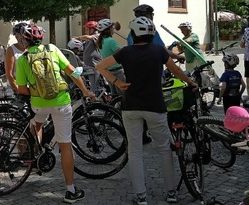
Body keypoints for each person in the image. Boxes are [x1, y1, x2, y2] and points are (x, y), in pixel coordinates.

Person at [96, 16, 197, 205]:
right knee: (164, 150)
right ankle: (171, 192)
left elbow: (100, 66)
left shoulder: (125, 52)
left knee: (134, 152)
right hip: (155, 106)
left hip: (131, 106)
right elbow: (175, 71)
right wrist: (190, 82)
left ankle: (140, 196)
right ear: (151, 34)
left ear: (133, 34)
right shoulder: (158, 50)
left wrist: (117, 82)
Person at [15, 24, 94, 204]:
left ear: (25, 41)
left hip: (38, 104)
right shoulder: (52, 49)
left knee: (36, 123)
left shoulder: (23, 59)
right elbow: (73, 73)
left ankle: (36, 152)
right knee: (65, 145)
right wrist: (86, 91)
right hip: (61, 103)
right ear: (41, 38)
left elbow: (21, 89)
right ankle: (70, 191)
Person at [96, 18, 125, 95]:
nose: (113, 29)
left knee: (114, 96)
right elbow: (121, 54)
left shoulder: (101, 41)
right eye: (112, 28)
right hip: (117, 71)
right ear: (108, 30)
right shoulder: (111, 41)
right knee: (122, 95)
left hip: (108, 72)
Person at [4, 22, 29, 91]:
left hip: (30, 88)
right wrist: (17, 89)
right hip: (16, 87)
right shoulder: (11, 50)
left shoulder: (30, 48)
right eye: (16, 35)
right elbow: (9, 74)